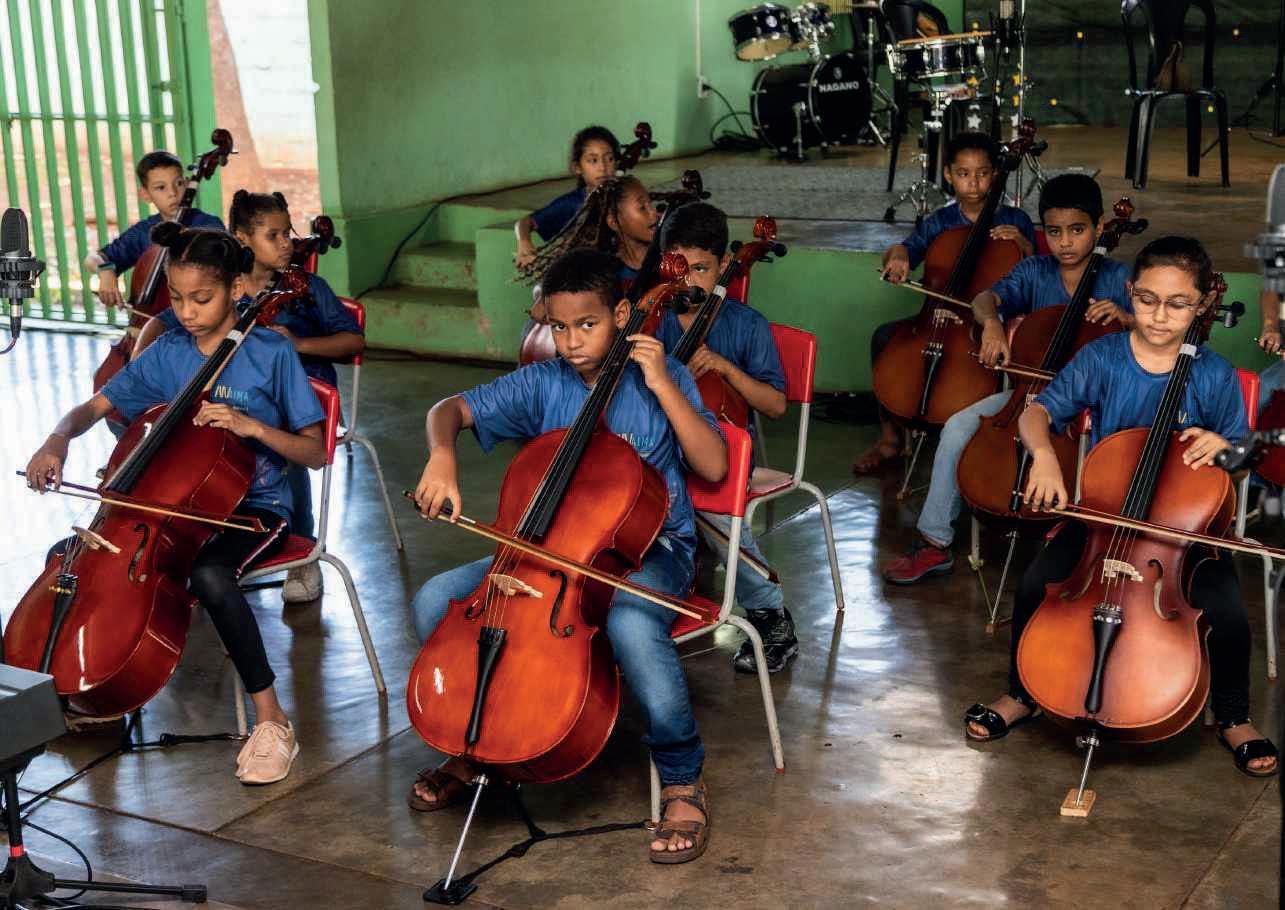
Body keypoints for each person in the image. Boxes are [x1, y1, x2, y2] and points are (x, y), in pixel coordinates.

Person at [407, 248, 727, 864]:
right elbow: (448, 410)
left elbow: (712, 465)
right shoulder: (543, 382)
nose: (573, 341)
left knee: (632, 623)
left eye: (588, 324)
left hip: (652, 549)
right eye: (559, 327)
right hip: (550, 549)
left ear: (623, 315)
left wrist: (663, 384)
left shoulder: (663, 376)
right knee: (434, 600)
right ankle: (483, 747)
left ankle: (683, 776)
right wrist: (442, 454)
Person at [963, 235, 1278, 779]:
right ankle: (1023, 693)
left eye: (1178, 304)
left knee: (1227, 610)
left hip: (1182, 534)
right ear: (1130, 292)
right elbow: (1038, 412)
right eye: (1147, 299)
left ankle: (1233, 716)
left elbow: (1242, 462)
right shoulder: (1103, 357)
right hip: (1105, 522)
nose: (1159, 315)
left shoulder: (1214, 374)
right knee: (1037, 583)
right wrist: (1044, 457)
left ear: (1202, 304)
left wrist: (1227, 452)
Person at [26, 225, 326, 784]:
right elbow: (92, 408)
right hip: (172, 511)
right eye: (178, 298)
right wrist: (57, 439)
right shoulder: (167, 353)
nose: (186, 313)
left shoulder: (272, 353)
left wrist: (252, 427)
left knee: (210, 575)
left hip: (255, 509)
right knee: (68, 558)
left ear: (237, 288)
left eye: (201, 299)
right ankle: (89, 689)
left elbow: (315, 452)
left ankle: (272, 720)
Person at [882, 173, 1131, 584]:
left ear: (1099, 227)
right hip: (1029, 394)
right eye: (1054, 232)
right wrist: (993, 324)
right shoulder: (1034, 270)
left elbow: (1156, 337)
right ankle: (934, 541)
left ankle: (1086, 541)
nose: (1065, 242)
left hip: (1093, 405)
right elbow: (985, 298)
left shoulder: (1120, 279)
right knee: (959, 426)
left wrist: (1127, 319)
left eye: (1077, 230)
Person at [137, 191, 364, 603]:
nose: (287, 244)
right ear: (241, 239)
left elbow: (353, 340)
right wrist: (141, 354)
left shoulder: (306, 288)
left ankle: (302, 550)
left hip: (302, 400)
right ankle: (218, 538)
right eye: (273, 236)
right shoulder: (221, 285)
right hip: (242, 398)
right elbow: (163, 322)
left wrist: (299, 344)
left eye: (287, 234)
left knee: (281, 446)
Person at [655, 201, 797, 673]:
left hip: (726, 453)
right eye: (680, 270)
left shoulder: (746, 324)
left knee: (696, 496)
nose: (689, 283)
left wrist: (725, 368)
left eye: (701, 269)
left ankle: (770, 614)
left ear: (723, 267)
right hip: (658, 444)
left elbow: (775, 406)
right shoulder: (652, 318)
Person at [854, 131, 1037, 475]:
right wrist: (898, 258)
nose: (974, 183)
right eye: (964, 174)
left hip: (988, 324)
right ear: (949, 175)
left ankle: (990, 439)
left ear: (995, 175)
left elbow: (1037, 273)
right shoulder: (939, 222)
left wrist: (1023, 244)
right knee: (883, 337)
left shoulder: (1015, 221)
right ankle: (890, 439)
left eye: (983, 173)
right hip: (934, 318)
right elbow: (905, 249)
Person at [83, 151, 224, 310]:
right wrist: (105, 271)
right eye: (161, 188)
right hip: (152, 316)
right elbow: (92, 258)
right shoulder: (144, 231)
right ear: (145, 194)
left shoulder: (209, 225)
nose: (173, 193)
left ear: (186, 184)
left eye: (178, 183)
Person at [514, 125, 620, 270]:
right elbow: (525, 222)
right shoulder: (573, 203)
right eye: (593, 160)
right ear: (577, 168)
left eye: (609, 159)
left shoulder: (623, 196)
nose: (603, 167)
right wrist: (524, 242)